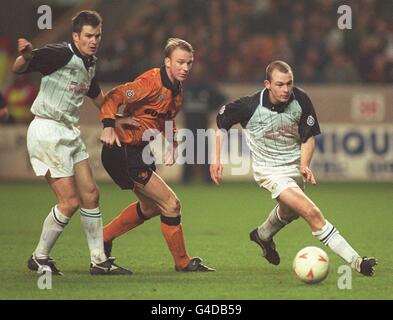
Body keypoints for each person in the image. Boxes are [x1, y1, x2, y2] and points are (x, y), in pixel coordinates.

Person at [210, 60, 377, 276]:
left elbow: (308, 138)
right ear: (267, 84)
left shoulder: (301, 99)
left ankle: (262, 235)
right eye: (280, 84)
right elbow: (221, 126)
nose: (286, 89)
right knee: (312, 213)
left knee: (290, 212)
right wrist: (216, 159)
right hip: (269, 171)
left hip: (294, 169)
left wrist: (304, 164)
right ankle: (356, 261)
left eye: (289, 83)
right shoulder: (249, 106)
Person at [12, 10, 130, 275]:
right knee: (70, 201)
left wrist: (116, 119)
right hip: (47, 130)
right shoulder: (60, 53)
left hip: (69, 132)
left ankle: (99, 261)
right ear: (76, 36)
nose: (94, 40)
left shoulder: (89, 62)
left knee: (91, 195)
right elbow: (18, 68)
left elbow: (98, 95)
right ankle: (39, 257)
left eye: (98, 35)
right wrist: (27, 55)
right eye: (88, 35)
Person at [100, 38, 215, 272]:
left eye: (189, 63)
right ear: (167, 62)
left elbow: (168, 118)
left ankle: (102, 239)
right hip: (122, 150)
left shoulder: (177, 91)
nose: (185, 67)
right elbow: (114, 96)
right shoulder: (149, 82)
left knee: (152, 207)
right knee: (171, 204)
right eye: (180, 62)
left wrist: (172, 144)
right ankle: (183, 263)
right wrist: (110, 125)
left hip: (139, 150)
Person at [181, 63, 226, 184]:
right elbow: (175, 102)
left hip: (202, 127)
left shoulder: (207, 88)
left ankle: (208, 178)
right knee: (188, 154)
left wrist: (213, 111)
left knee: (205, 154)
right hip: (189, 127)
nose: (197, 75)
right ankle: (186, 179)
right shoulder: (185, 88)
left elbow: (222, 99)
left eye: (199, 73)